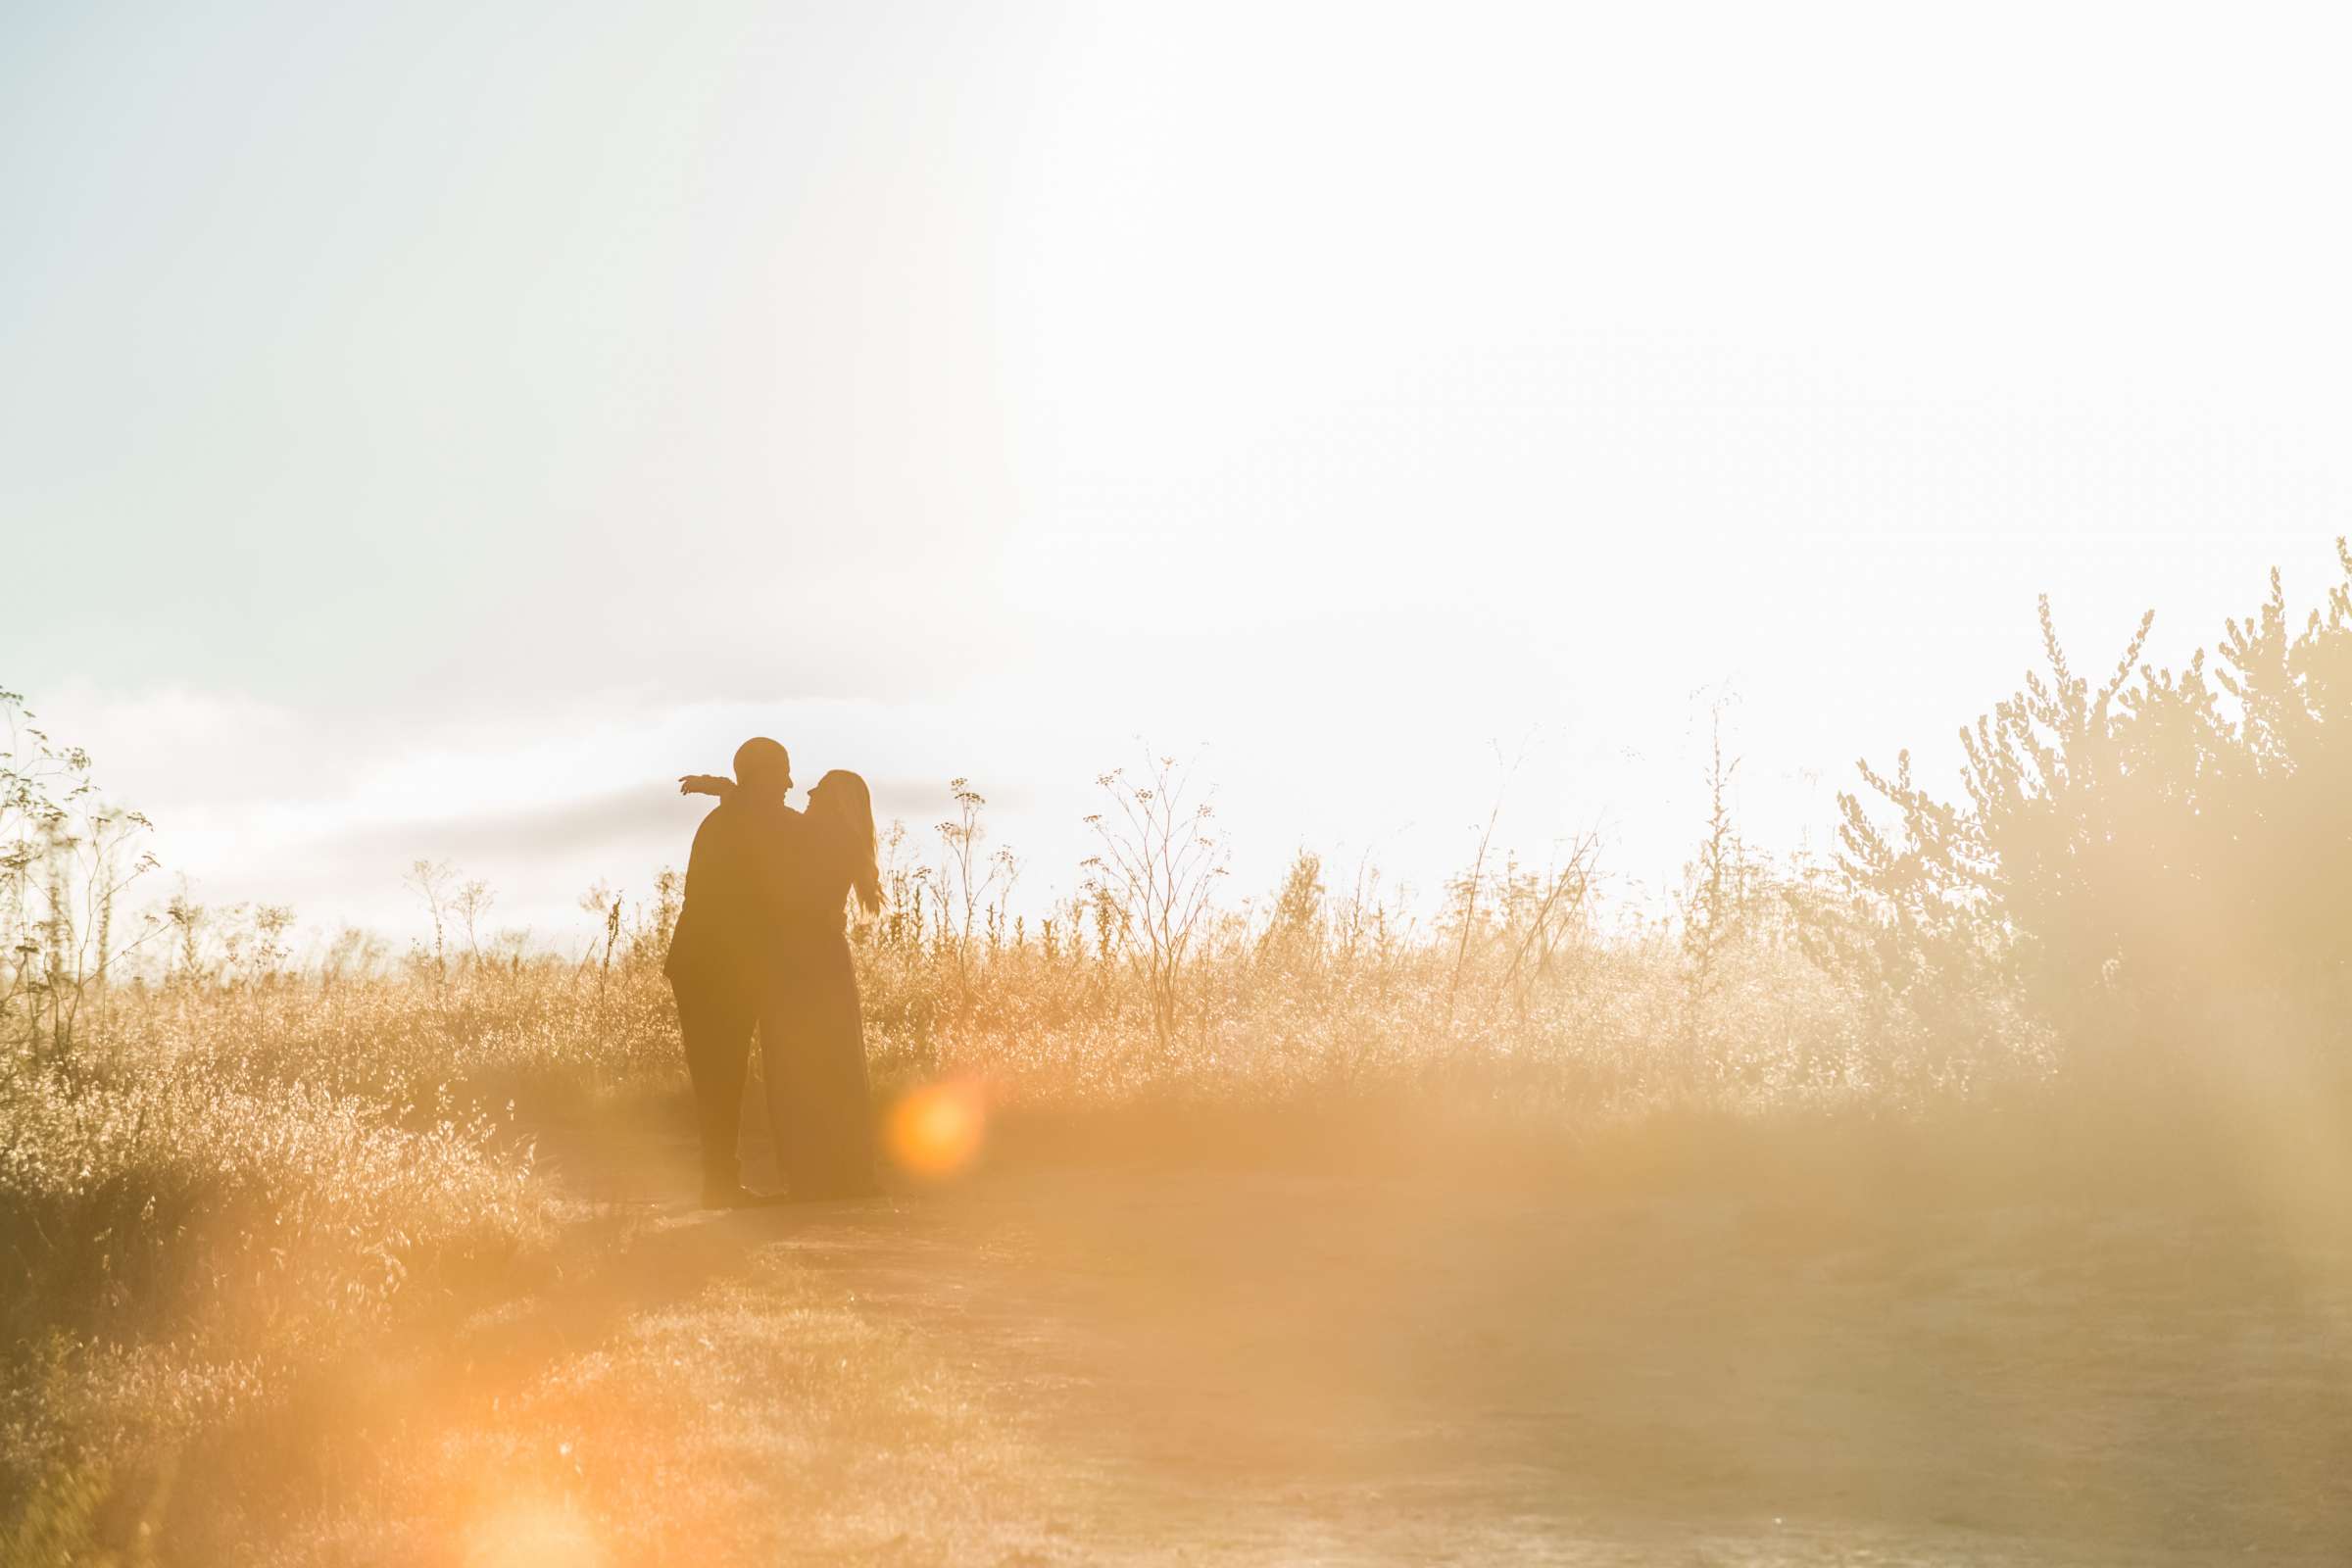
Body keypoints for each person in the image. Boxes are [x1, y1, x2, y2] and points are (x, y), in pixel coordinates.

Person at [678, 765, 884, 1200]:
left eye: (819, 788)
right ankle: (827, 1174)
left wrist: (732, 793)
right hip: (809, 963)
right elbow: (767, 825)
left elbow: (769, 837)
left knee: (807, 1071)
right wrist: (733, 794)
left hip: (804, 966)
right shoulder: (826, 838)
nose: (804, 789)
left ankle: (819, 1176)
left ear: (836, 803)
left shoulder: (816, 838)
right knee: (819, 1070)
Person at [664, 736, 794, 1207]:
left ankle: (719, 1181)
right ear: (758, 777)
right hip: (712, 966)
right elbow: (784, 827)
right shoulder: (738, 821)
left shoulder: (732, 817)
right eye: (781, 772)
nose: (790, 783)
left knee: (720, 1072)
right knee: (720, 1072)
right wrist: (732, 792)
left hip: (709, 963)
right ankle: (719, 1184)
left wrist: (729, 790)